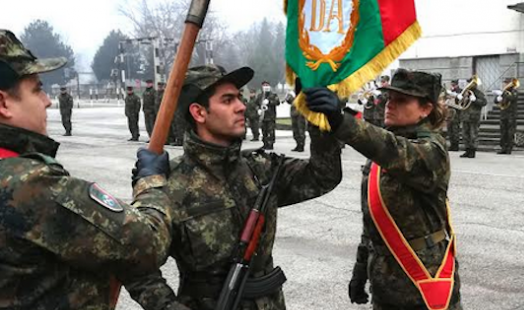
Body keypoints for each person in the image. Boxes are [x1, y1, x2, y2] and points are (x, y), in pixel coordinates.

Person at [124, 65, 343, 310]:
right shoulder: (171, 184)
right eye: (227, 100)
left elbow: (323, 177)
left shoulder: (260, 168)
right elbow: (136, 265)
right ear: (199, 112)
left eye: (238, 97)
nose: (241, 106)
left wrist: (323, 124)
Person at [0, 29, 174, 308]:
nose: (47, 101)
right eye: (37, 89)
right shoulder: (29, 184)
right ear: (3, 103)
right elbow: (148, 242)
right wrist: (150, 180)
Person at [304, 69, 462, 310]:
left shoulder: (432, 150)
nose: (390, 105)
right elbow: (374, 219)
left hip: (422, 283)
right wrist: (360, 270)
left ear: (426, 109)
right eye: (389, 99)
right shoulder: (382, 148)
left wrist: (340, 119)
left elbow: (395, 151)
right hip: (385, 283)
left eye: (401, 100)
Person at [459, 76, 487, 158]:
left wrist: (475, 100)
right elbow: (460, 104)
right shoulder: (465, 92)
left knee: (473, 134)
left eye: (470, 82)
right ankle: (467, 150)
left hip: (474, 117)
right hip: (465, 116)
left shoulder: (478, 93)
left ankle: (472, 151)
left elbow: (484, 102)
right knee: (465, 134)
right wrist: (459, 98)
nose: (469, 84)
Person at [494, 78, 518, 155]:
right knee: (503, 132)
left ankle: (509, 148)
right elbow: (496, 101)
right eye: (504, 83)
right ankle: (503, 148)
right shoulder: (504, 92)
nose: (504, 85)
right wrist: (497, 99)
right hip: (503, 114)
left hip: (511, 115)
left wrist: (502, 94)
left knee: (510, 133)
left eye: (506, 83)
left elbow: (512, 98)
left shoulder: (514, 91)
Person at [256, 80, 280, 150]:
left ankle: (270, 144)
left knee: (271, 131)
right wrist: (258, 109)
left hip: (271, 116)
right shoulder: (260, 96)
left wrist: (270, 102)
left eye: (267, 85)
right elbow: (256, 103)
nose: (265, 87)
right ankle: (265, 143)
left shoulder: (273, 95)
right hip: (263, 117)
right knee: (264, 131)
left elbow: (277, 102)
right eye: (264, 85)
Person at [445, 80, 462, 152]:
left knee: (455, 130)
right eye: (452, 85)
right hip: (449, 112)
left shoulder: (460, 91)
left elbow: (461, 101)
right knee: (450, 129)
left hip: (456, 113)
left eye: (454, 85)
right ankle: (452, 144)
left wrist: (456, 95)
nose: (452, 86)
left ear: (457, 84)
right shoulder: (449, 91)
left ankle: (456, 145)